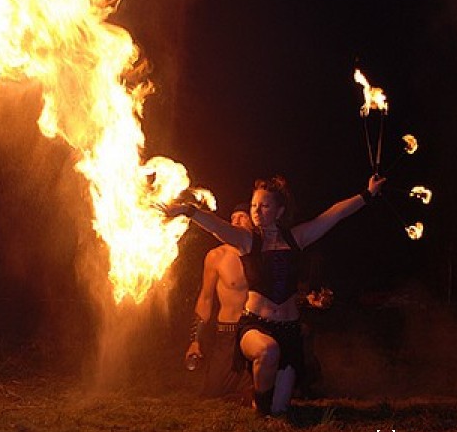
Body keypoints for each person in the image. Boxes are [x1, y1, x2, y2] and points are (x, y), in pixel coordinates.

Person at [163, 173, 385, 416]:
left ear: (279, 211)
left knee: (279, 410)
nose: (256, 211)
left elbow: (334, 214)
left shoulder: (296, 238)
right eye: (254, 205)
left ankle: (266, 404)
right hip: (255, 326)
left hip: (289, 330)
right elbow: (217, 227)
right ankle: (258, 403)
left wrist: (367, 194)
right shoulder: (247, 240)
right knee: (268, 351)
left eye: (264, 205)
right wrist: (188, 210)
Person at [185, 203, 253, 404]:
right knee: (212, 392)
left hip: (254, 329)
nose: (236, 222)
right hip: (227, 333)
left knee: (263, 387)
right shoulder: (217, 257)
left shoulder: (261, 254)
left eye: (242, 217)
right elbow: (206, 299)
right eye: (233, 218)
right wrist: (195, 340)